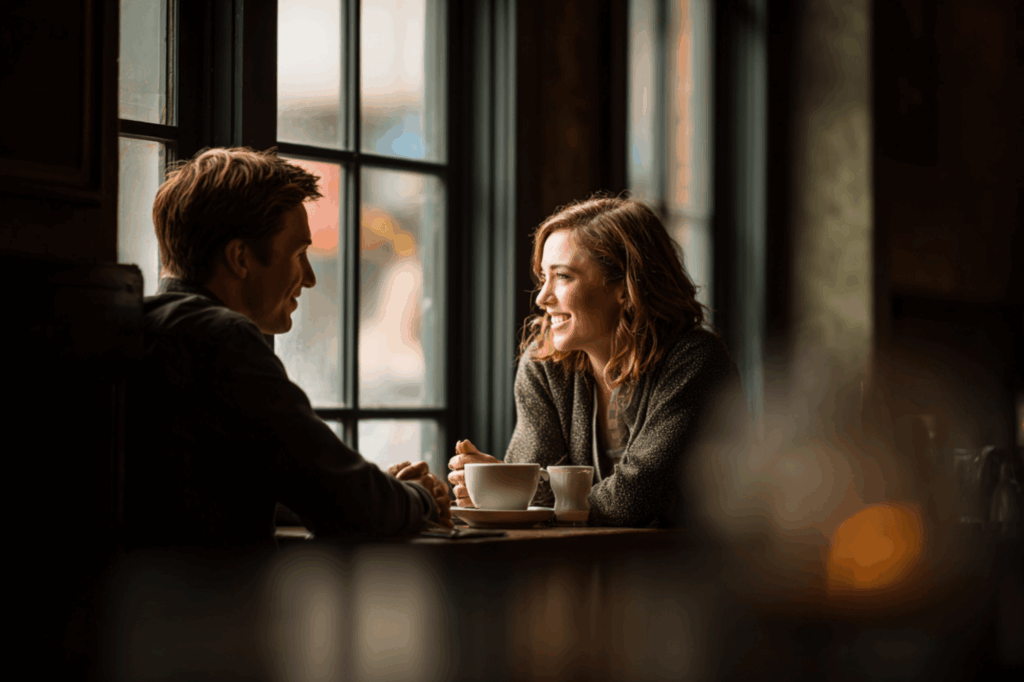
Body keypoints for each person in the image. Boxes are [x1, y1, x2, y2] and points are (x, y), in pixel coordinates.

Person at [123, 147, 452, 552]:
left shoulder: (139, 325)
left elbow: (259, 484)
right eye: (299, 253)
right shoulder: (223, 338)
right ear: (240, 257)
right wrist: (421, 499)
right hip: (215, 608)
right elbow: (347, 504)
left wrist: (389, 493)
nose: (310, 278)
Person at [447, 196, 748, 527]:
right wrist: (505, 486)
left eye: (562, 276)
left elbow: (636, 497)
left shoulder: (695, 361)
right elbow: (532, 497)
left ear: (624, 286)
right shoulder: (543, 365)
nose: (542, 297)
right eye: (543, 277)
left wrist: (529, 490)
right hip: (581, 566)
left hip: (687, 573)